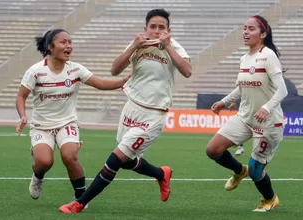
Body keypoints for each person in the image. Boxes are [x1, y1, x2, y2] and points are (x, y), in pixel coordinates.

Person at [59, 8, 192, 214]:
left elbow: (187, 71)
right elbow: (114, 70)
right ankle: (161, 173)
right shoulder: (137, 45)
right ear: (145, 28)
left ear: (168, 30)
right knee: (128, 160)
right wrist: (134, 47)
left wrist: (167, 47)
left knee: (117, 158)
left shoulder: (173, 46)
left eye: (161, 27)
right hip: (131, 108)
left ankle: (80, 203)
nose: (157, 31)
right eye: (153, 27)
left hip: (153, 114)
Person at [16, 28, 130, 203]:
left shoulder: (75, 69)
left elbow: (100, 83)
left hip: (67, 123)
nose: (69, 46)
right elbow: (21, 96)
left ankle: (80, 199)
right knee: (44, 162)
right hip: (41, 126)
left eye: (70, 42)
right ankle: (37, 177)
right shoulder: (35, 71)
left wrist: (122, 82)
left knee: (70, 156)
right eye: (63, 42)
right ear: (50, 47)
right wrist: (23, 116)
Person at [206, 15, 288, 212]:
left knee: (256, 170)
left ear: (263, 34)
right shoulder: (244, 58)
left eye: (251, 29)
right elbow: (241, 87)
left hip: (268, 123)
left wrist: (266, 107)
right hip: (245, 118)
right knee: (213, 150)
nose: (245, 32)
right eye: (244, 28)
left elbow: (282, 90)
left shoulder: (268, 55)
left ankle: (270, 199)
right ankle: (238, 171)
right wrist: (224, 102)